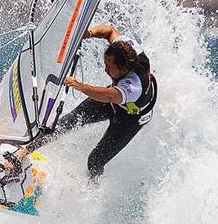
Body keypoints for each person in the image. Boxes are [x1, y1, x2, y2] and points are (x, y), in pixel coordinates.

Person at [16, 23, 157, 178]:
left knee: (95, 161)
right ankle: (23, 152)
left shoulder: (133, 87)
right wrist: (88, 33)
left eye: (109, 67)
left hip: (129, 120)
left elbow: (110, 96)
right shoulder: (128, 49)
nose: (105, 69)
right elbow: (109, 31)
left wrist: (80, 86)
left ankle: (92, 189)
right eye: (105, 64)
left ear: (123, 68)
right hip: (112, 101)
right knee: (67, 122)